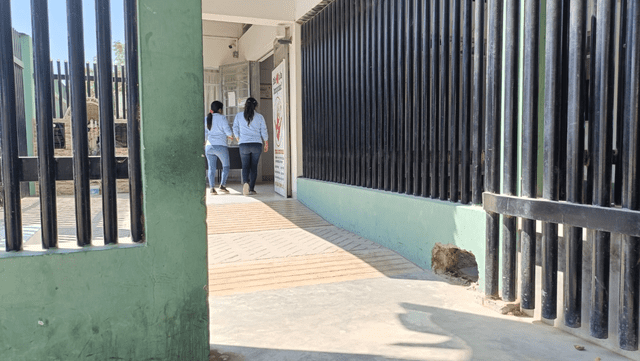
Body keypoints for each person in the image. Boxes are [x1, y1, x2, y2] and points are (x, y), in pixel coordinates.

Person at [233, 97, 268, 196]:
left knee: (245, 166)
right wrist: (266, 142)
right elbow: (264, 130)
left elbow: (234, 127)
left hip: (243, 144)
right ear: (255, 106)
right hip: (256, 144)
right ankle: (251, 188)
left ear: (245, 105)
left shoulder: (239, 116)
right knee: (253, 167)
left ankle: (245, 184)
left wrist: (237, 137)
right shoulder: (260, 117)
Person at [205, 101, 233, 195]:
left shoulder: (207, 118)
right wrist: (230, 135)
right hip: (221, 146)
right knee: (226, 166)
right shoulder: (222, 118)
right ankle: (222, 185)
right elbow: (227, 131)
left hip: (209, 146)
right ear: (220, 109)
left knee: (211, 168)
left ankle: (212, 188)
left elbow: (205, 133)